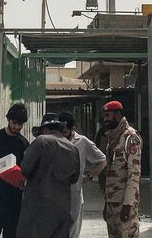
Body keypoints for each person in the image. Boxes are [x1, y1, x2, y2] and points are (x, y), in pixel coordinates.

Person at [16, 113, 81, 238]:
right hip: (62, 209)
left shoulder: (41, 141)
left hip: (38, 207)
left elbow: (25, 169)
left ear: (45, 129)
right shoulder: (73, 148)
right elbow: (74, 178)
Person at [59, 111, 107, 238]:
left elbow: (102, 160)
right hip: (56, 195)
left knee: (73, 231)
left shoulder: (82, 142)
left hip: (75, 195)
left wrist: (90, 176)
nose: (62, 135)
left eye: (64, 132)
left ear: (72, 129)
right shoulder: (53, 140)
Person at [0, 103, 30, 238]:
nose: (17, 127)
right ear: (8, 120)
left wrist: (24, 182)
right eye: (14, 123)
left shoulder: (23, 143)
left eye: (20, 124)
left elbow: (26, 169)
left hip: (14, 198)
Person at [101, 100, 141, 238]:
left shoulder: (130, 137)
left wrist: (128, 205)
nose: (105, 120)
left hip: (125, 203)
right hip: (112, 202)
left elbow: (134, 174)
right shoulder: (113, 138)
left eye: (108, 115)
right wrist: (107, 203)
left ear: (117, 115)